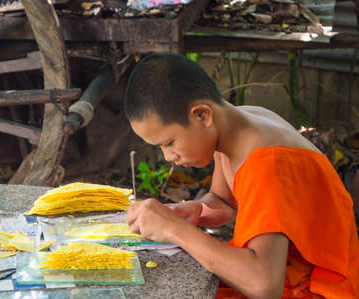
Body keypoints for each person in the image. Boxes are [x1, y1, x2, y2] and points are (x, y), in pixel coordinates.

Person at [124, 53, 358, 299]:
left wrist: (175, 230)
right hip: (285, 272)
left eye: (169, 142)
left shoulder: (267, 161)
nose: (168, 157)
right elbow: (224, 201)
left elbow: (265, 286)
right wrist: (196, 210)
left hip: (319, 289)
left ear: (202, 115)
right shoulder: (236, 124)